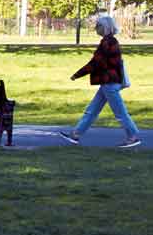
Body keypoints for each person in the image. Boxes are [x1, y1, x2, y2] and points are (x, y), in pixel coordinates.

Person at [56, 14, 141, 148]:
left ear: (105, 27)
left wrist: (77, 75)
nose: (96, 28)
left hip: (109, 83)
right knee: (92, 111)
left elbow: (95, 63)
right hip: (107, 83)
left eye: (98, 26)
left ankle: (133, 136)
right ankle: (75, 134)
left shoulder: (107, 43)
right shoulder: (110, 41)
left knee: (120, 112)